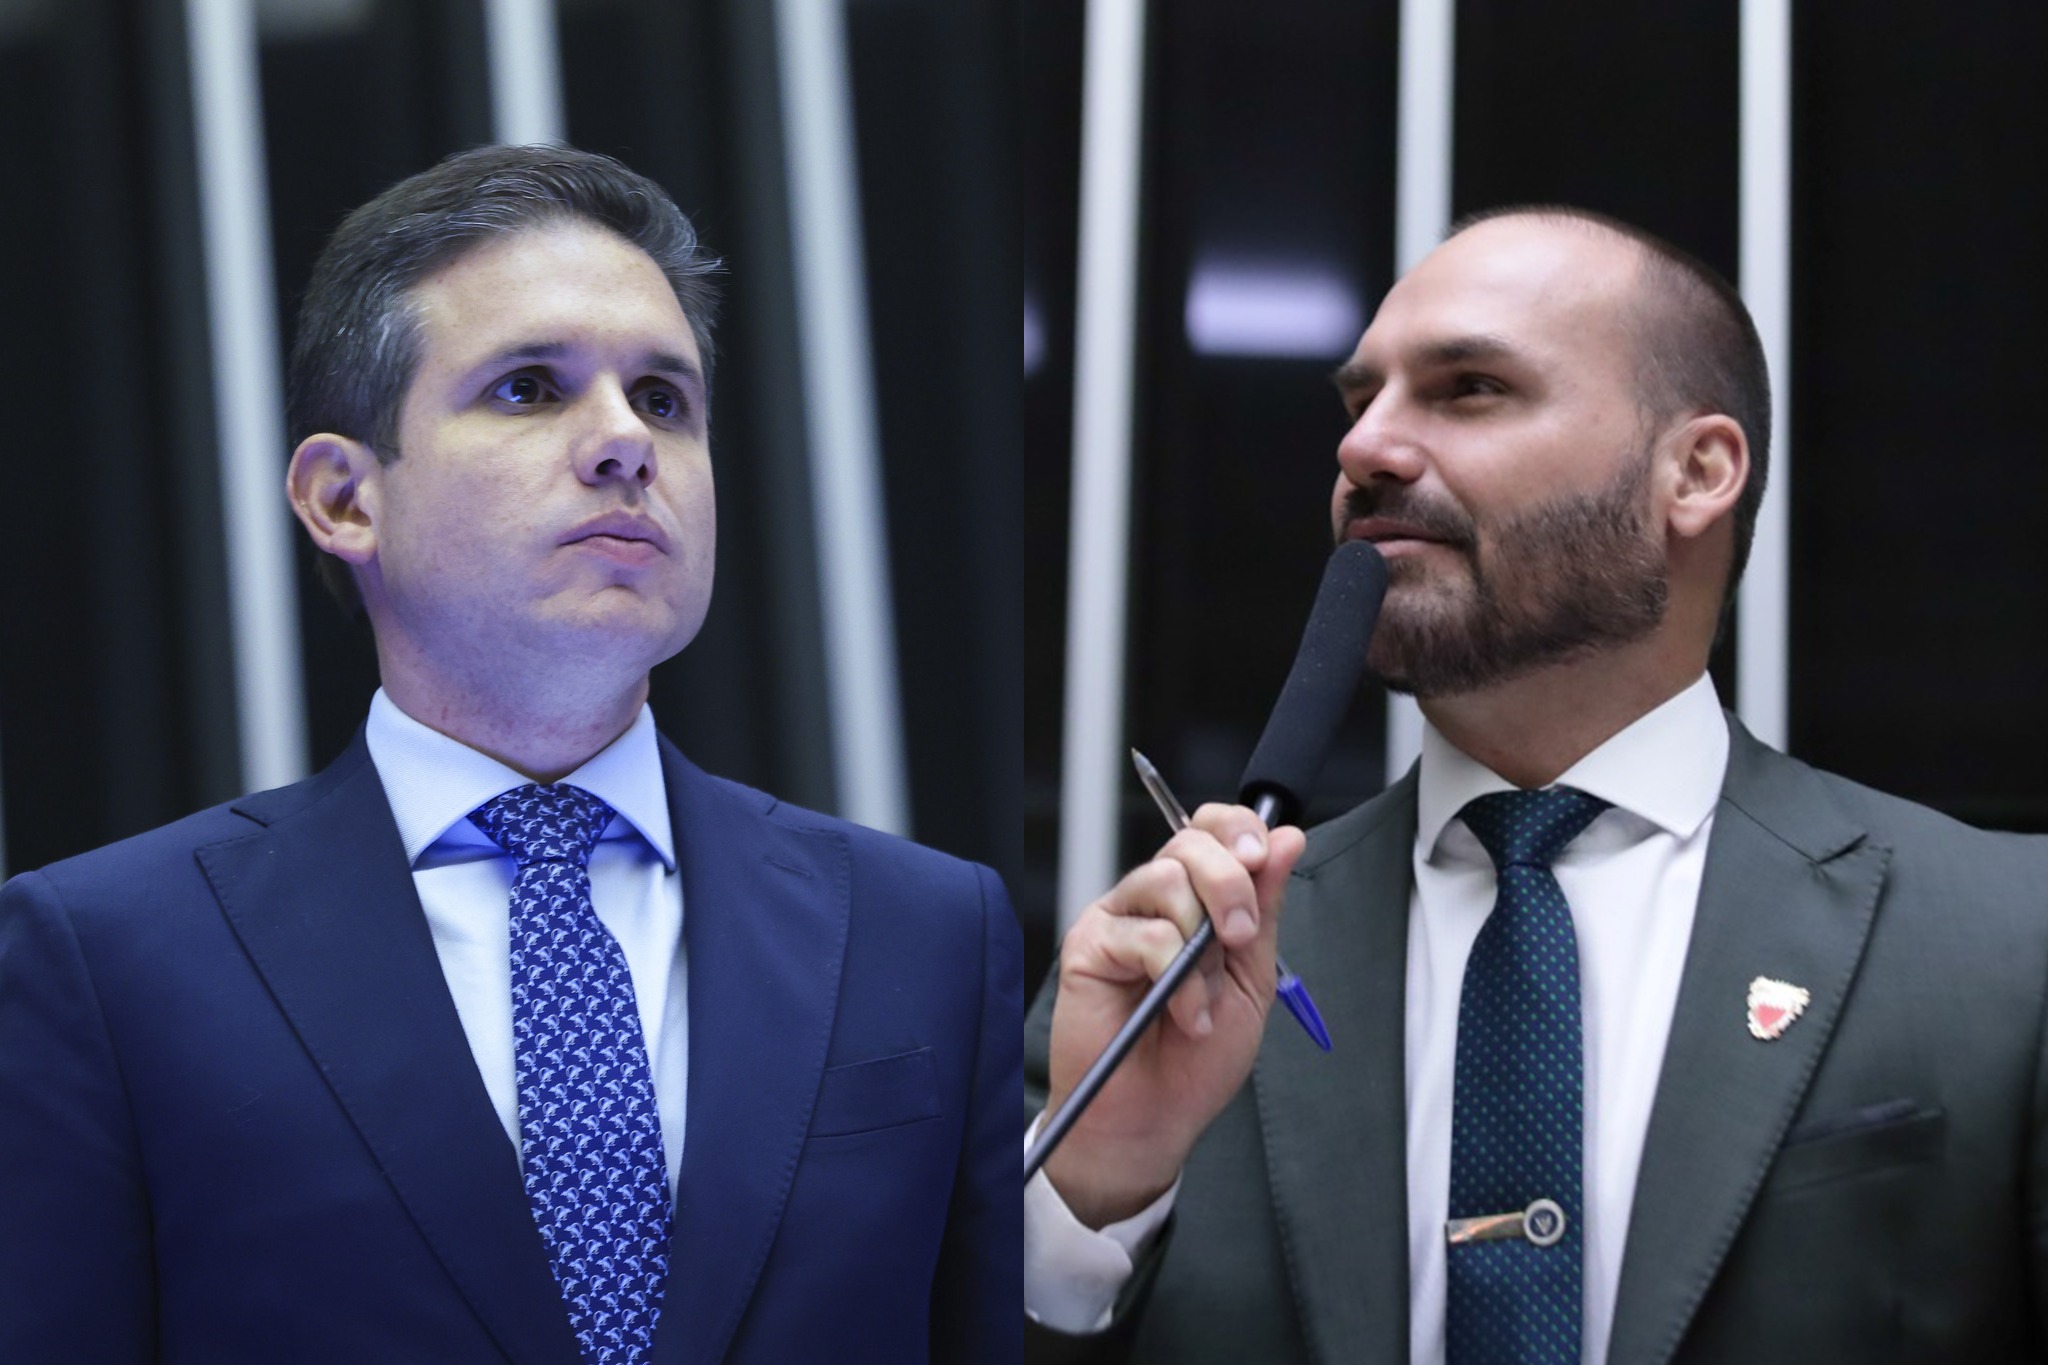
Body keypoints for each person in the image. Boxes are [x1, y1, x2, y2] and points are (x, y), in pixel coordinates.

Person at [0, 144, 1020, 1364]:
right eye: (530, 389)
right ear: (344, 500)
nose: (624, 442)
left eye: (664, 399)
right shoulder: (105, 959)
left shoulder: (928, 930)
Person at [1023, 207, 2048, 1362]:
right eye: (1358, 404)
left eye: (1468, 389)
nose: (1365, 450)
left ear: (1694, 472)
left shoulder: (2009, 948)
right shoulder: (1170, 973)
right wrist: (1090, 1191)